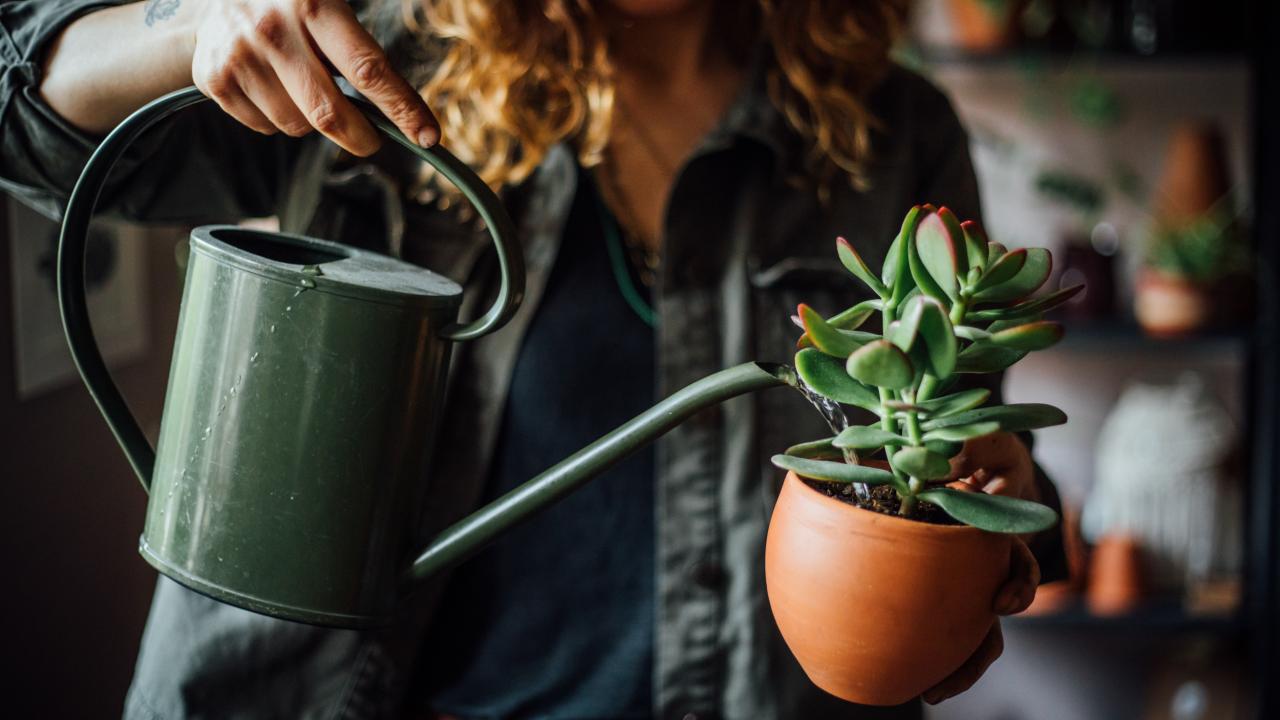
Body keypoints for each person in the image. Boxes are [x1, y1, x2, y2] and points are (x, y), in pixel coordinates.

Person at [1, 0, 1066, 717]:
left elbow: (961, 440)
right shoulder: (368, 64)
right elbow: (23, 119)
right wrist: (191, 24)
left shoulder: (891, 132)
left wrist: (986, 509)